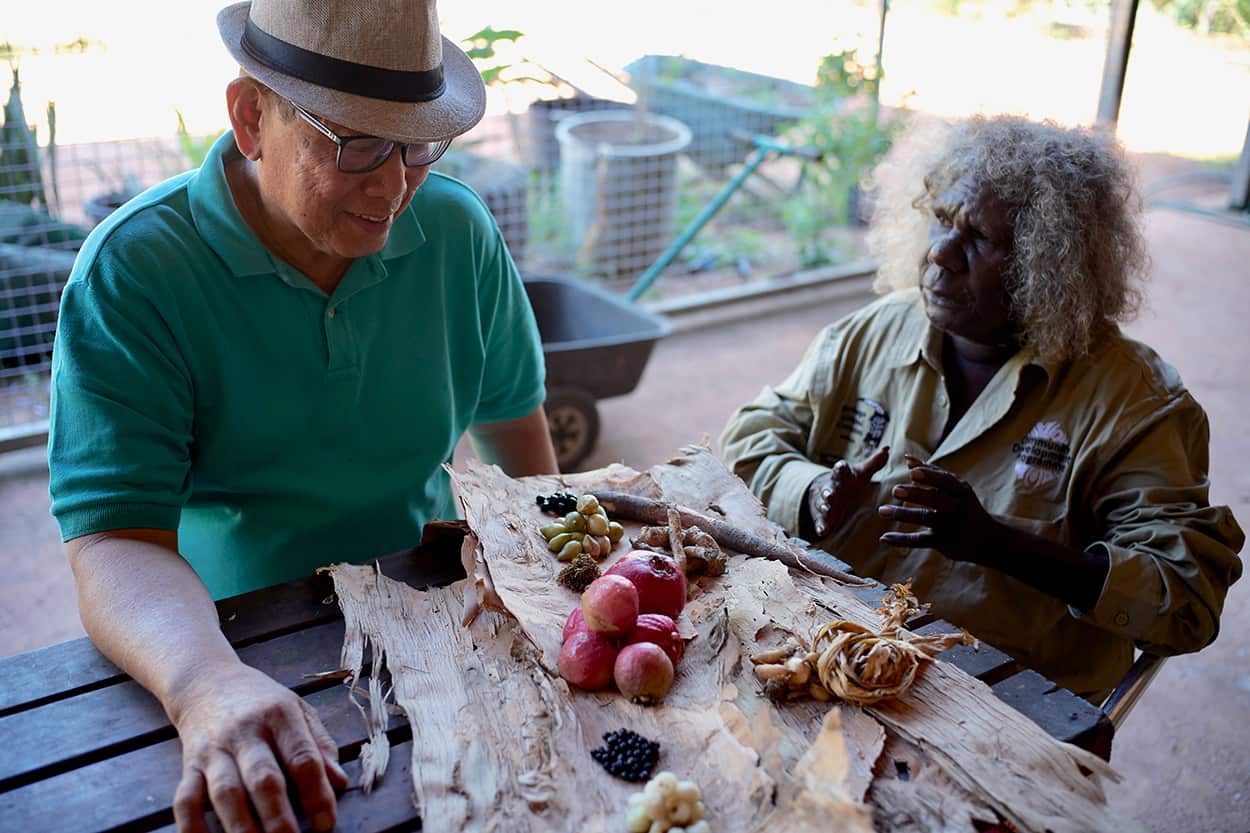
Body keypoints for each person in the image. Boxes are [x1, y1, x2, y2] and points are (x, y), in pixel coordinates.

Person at [47, 1, 558, 830]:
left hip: (429, 611)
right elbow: (111, 541)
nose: (392, 187)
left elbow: (522, 444)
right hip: (225, 636)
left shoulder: (457, 232)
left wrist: (559, 583)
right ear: (252, 117)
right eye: (355, 141)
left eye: (416, 145)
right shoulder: (136, 271)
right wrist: (205, 683)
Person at [720, 114, 1243, 705]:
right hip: (829, 647)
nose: (940, 252)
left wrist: (996, 544)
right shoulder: (877, 331)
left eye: (980, 238)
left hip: (1000, 700)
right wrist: (810, 490)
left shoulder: (1136, 404)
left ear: (1049, 264)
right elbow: (749, 436)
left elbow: (1188, 598)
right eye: (942, 220)